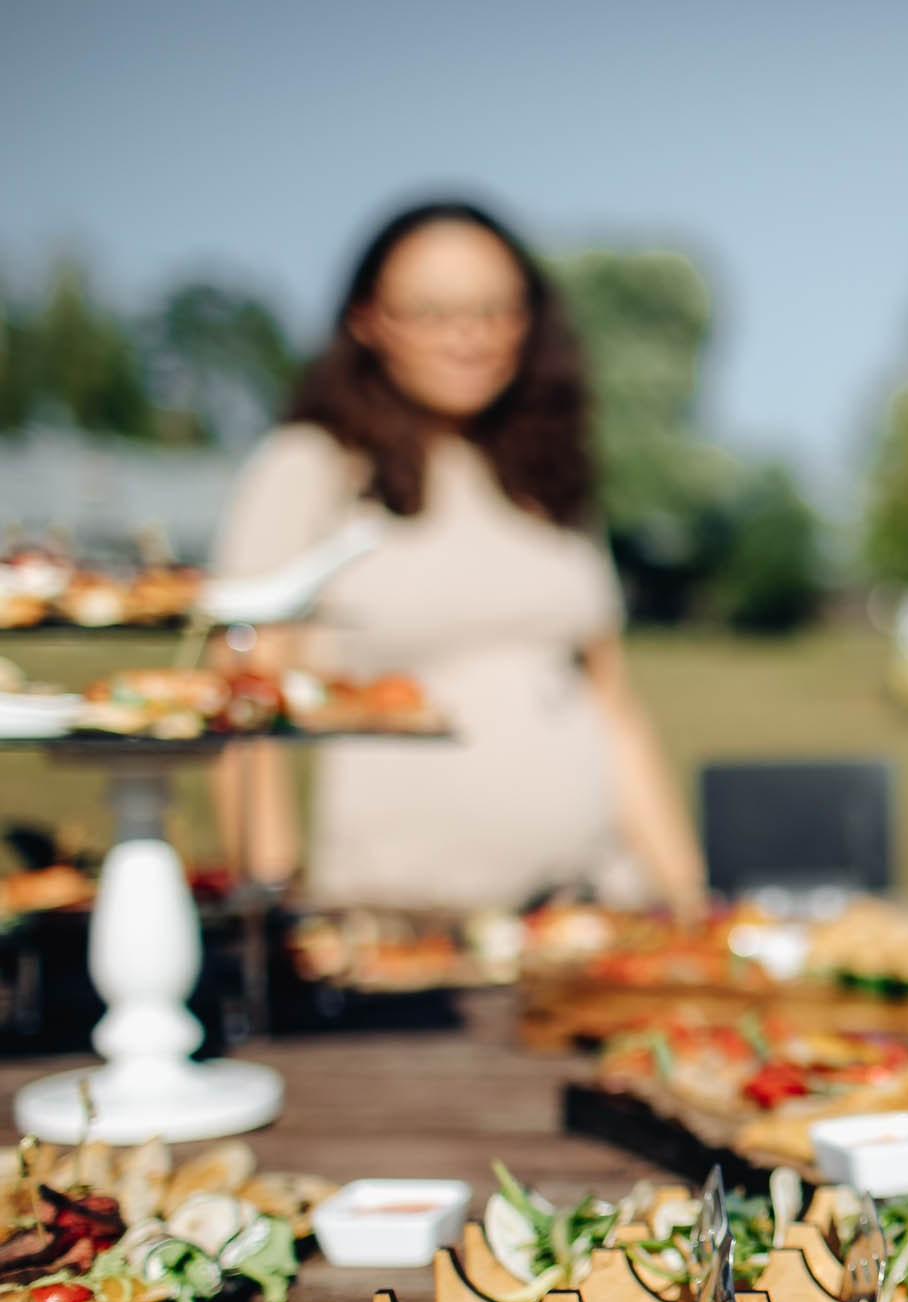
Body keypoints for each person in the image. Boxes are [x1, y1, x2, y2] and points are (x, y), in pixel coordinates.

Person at [212, 200, 706, 913]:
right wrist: (274, 902)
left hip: (591, 911)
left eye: (494, 311)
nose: (468, 337)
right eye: (432, 313)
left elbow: (613, 709)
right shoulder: (310, 468)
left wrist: (687, 900)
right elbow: (241, 702)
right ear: (367, 319)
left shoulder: (548, 476)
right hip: (399, 922)